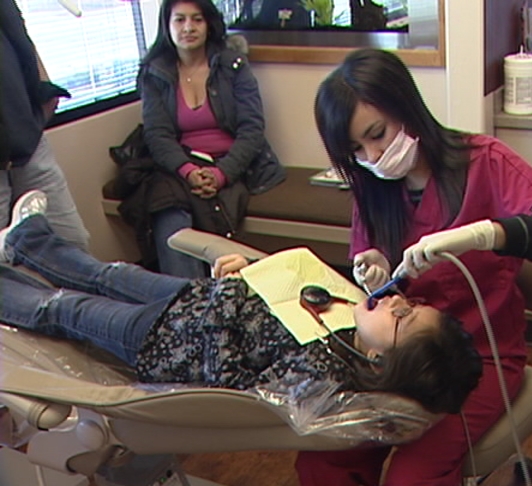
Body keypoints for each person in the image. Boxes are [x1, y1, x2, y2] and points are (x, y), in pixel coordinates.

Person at [292, 48, 532, 485]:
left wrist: (481, 234)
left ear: (405, 106)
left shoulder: (485, 163)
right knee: (327, 459)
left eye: (377, 134)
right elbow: (376, 298)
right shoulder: (372, 190)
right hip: (399, 364)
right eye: (357, 149)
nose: (373, 155)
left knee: (414, 476)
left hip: (478, 359)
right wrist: (377, 276)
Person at [0, 190, 482, 421]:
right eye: (409, 302)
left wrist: (233, 301)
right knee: (107, 273)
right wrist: (247, 277)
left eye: (402, 317)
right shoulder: (346, 326)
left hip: (165, 341)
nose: (395, 301)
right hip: (192, 301)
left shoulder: (322, 377)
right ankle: (25, 240)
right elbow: (281, 304)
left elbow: (227, 382)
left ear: (381, 360)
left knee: (64, 309)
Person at [129, 0, 285, 278]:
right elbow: (157, 134)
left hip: (232, 164)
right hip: (180, 165)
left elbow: (252, 129)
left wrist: (222, 174)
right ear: (167, 25)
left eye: (197, 20)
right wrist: (188, 172)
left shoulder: (233, 66)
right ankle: (187, 301)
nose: (188, 28)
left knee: (212, 206)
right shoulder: (155, 73)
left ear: (209, 24)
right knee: (167, 207)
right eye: (179, 20)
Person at [0, 0, 90, 251]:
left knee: (73, 242)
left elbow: (21, 42)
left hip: (27, 142)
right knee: (7, 272)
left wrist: (45, 91)